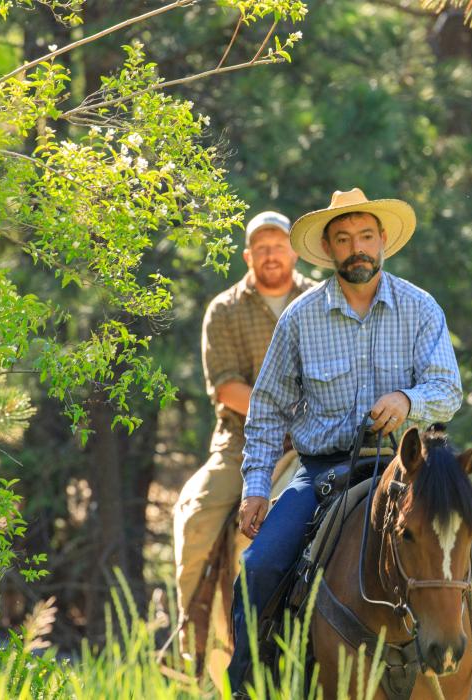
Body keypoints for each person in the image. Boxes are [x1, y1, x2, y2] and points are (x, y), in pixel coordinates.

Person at [228, 189, 472, 699]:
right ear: (328, 249)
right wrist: (257, 487)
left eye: (365, 236)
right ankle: (249, 687)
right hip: (326, 469)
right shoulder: (300, 318)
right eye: (343, 239)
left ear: (383, 241)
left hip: (418, 466)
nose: (357, 248)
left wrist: (406, 400)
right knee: (258, 566)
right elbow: (266, 411)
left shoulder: (419, 307)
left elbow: (448, 390)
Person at [172, 211, 313, 679]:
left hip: (309, 442)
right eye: (262, 248)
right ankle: (191, 641)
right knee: (196, 514)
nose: (272, 255)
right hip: (241, 442)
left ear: (294, 252)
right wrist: (279, 416)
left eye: (279, 246)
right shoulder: (225, 309)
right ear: (248, 256)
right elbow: (227, 387)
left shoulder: (319, 299)